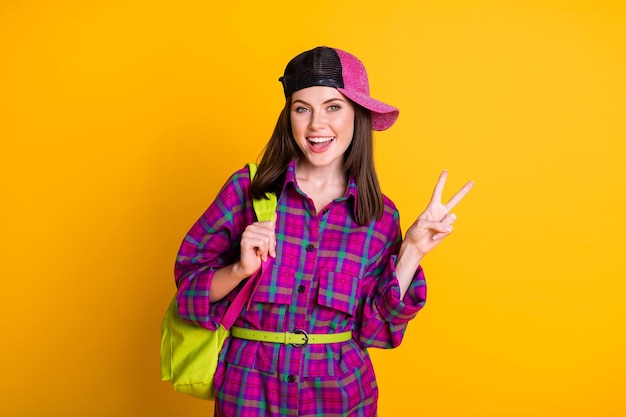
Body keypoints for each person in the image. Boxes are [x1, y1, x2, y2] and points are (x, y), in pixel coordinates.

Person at [174, 46, 474, 416]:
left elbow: (376, 332)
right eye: (303, 109)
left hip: (340, 395)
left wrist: (412, 249)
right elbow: (189, 293)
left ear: (357, 115)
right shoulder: (247, 191)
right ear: (289, 117)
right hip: (249, 391)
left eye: (333, 107)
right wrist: (239, 271)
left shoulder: (379, 216)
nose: (317, 125)